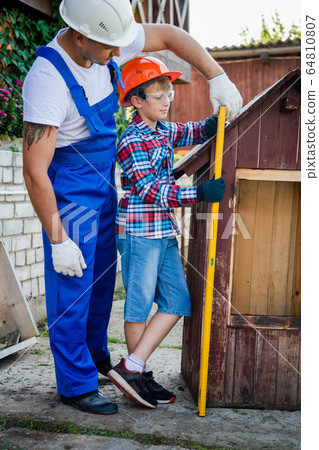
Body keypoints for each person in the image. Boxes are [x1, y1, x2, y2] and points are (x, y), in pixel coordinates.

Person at [22, 0, 242, 415]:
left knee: (103, 284)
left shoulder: (109, 36)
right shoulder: (47, 80)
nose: (121, 54)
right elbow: (35, 171)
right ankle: (75, 383)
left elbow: (173, 36)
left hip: (106, 185)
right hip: (71, 191)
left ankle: (97, 358)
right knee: (74, 288)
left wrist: (217, 76)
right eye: (111, 48)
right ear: (80, 36)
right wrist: (58, 239)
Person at [107, 56, 226, 408]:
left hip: (162, 230)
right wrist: (198, 193)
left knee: (177, 300)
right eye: (157, 94)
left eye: (168, 93)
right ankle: (138, 376)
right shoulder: (131, 139)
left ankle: (132, 367)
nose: (165, 100)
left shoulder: (163, 131)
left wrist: (219, 114)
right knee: (139, 306)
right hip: (138, 232)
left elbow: (194, 131)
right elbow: (149, 190)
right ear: (136, 100)